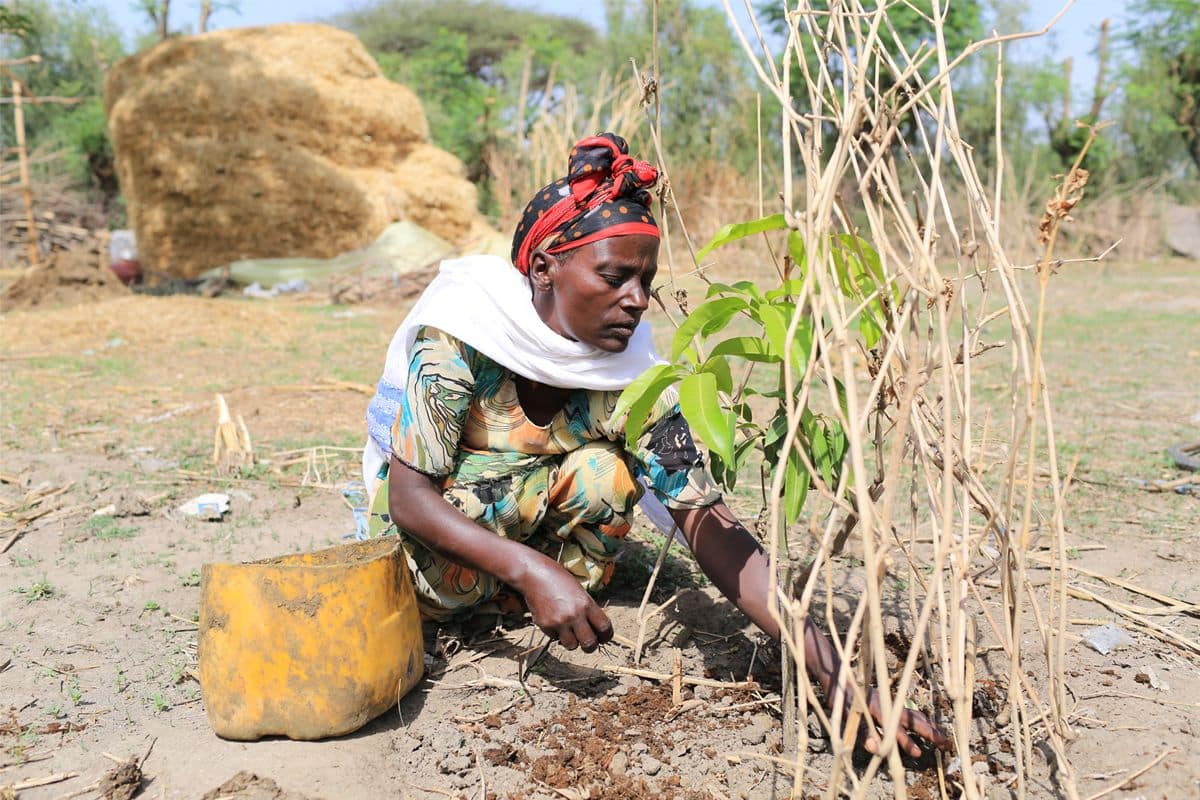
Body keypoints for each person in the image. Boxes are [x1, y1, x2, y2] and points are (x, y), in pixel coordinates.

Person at [363, 133, 949, 758]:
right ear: (544, 268)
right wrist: (532, 570)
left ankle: (523, 601)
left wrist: (836, 678)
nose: (638, 300)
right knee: (479, 501)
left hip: (531, 574)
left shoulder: (636, 381)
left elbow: (710, 523)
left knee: (604, 471)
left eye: (645, 279)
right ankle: (491, 603)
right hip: (437, 564)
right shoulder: (460, 339)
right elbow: (410, 499)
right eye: (614, 276)